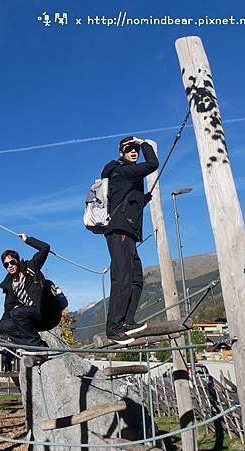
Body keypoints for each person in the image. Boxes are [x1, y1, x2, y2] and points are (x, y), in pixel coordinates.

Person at [101, 136, 159, 345]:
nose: (134, 151)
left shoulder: (125, 174)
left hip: (127, 231)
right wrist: (144, 143)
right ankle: (114, 329)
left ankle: (127, 322)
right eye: (130, 149)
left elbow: (124, 200)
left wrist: (142, 199)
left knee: (136, 278)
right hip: (119, 231)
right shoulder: (122, 170)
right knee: (122, 277)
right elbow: (153, 164)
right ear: (121, 152)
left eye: (136, 149)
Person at [0, 234, 52, 353]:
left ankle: (35, 346)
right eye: (6, 264)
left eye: (12, 262)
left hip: (47, 312)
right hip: (34, 319)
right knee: (7, 325)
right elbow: (7, 313)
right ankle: (39, 347)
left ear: (17, 261)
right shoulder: (10, 286)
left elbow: (45, 248)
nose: (10, 266)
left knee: (16, 312)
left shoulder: (31, 267)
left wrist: (27, 240)